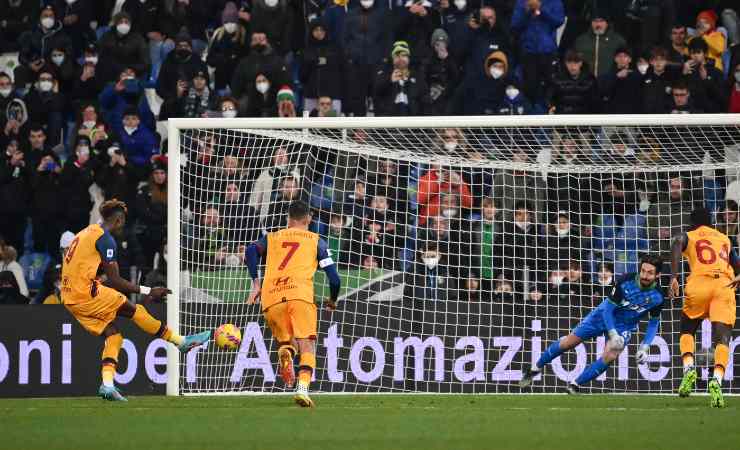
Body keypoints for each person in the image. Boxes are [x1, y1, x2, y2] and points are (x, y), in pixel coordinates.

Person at [60, 199, 211, 401]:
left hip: (69, 297)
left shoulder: (86, 232)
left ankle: (107, 384)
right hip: (86, 293)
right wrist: (149, 290)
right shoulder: (105, 239)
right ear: (119, 220)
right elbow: (115, 281)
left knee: (113, 336)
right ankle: (180, 342)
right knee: (135, 311)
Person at [520, 255, 665, 393]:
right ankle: (535, 368)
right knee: (569, 342)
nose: (645, 275)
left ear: (657, 275)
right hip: (602, 316)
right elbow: (608, 309)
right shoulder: (625, 281)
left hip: (625, 325)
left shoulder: (658, 296)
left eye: (650, 273)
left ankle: (575, 385)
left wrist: (645, 346)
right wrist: (613, 333)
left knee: (612, 353)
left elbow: (653, 323)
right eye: (643, 271)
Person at [245, 200, 341, 408]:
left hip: (271, 298)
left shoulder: (271, 237)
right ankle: (302, 389)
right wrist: (332, 300)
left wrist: (256, 283)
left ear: (288, 219)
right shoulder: (317, 241)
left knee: (289, 344)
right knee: (308, 344)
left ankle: (287, 352)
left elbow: (251, 252)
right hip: (299, 295)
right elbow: (335, 279)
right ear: (309, 219)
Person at [671, 208, 739, 408]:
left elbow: (676, 241)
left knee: (687, 328)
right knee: (723, 338)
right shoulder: (724, 238)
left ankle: (689, 367)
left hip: (699, 284)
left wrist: (674, 277)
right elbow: (736, 263)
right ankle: (717, 380)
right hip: (724, 286)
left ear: (692, 222)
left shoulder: (690, 235)